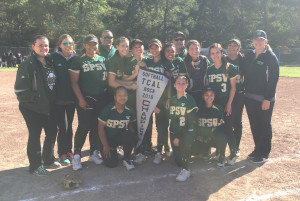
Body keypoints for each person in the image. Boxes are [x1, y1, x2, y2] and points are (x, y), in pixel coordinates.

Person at [14, 35, 61, 176]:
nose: (43, 48)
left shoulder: (49, 61)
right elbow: (20, 91)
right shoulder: (28, 63)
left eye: (46, 45)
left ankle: (48, 159)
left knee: (52, 132)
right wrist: (39, 99)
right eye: (40, 45)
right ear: (33, 47)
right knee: (35, 135)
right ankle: (35, 166)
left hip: (49, 106)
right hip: (32, 107)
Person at [69, 34, 108, 171]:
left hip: (101, 98)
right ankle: (77, 155)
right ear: (85, 45)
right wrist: (80, 98)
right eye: (89, 44)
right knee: (84, 125)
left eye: (94, 44)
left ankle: (93, 152)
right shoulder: (79, 60)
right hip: (86, 98)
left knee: (96, 126)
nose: (92, 47)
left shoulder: (102, 59)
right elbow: (74, 82)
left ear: (98, 45)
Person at [243, 30, 279, 163]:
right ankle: (257, 149)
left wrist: (267, 98)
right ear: (252, 41)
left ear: (265, 41)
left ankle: (264, 152)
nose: (258, 42)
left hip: (264, 98)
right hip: (250, 97)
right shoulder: (249, 55)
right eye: (256, 39)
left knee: (264, 124)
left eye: (261, 40)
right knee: (254, 124)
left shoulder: (270, 56)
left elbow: (273, 79)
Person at [206, 43, 238, 165]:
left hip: (226, 101)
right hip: (216, 103)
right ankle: (220, 153)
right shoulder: (210, 69)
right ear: (210, 55)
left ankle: (233, 153)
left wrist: (229, 104)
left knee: (228, 128)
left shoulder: (230, 67)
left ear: (222, 53)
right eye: (212, 53)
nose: (215, 55)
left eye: (217, 52)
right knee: (218, 129)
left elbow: (233, 87)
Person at [49, 34, 77, 165]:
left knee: (69, 126)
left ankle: (69, 151)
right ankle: (62, 153)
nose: (68, 46)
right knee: (63, 126)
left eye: (70, 43)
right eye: (64, 43)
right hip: (58, 100)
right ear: (60, 45)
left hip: (71, 99)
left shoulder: (76, 58)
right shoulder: (52, 58)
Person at [142, 39, 171, 165]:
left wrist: (169, 98)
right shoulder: (147, 61)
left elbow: (169, 82)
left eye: (156, 48)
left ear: (160, 48)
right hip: (149, 98)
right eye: (151, 48)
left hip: (162, 99)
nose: (154, 50)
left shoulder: (165, 62)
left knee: (162, 126)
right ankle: (146, 148)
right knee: (146, 125)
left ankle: (161, 149)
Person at [98, 86, 137, 170]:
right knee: (111, 163)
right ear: (115, 97)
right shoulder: (107, 109)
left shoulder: (130, 110)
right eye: (119, 95)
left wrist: (133, 138)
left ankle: (126, 159)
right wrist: (105, 145)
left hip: (119, 136)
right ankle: (111, 150)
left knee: (131, 135)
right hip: (108, 138)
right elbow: (100, 128)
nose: (122, 97)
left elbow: (131, 123)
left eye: (124, 95)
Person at [169, 76, 198, 182]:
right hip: (174, 131)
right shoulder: (172, 99)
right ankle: (184, 154)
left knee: (184, 148)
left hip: (187, 131)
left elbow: (190, 122)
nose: (180, 85)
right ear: (174, 85)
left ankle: (186, 170)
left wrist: (178, 137)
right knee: (178, 161)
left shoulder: (189, 99)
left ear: (187, 85)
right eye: (178, 83)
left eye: (183, 83)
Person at [192, 86, 227, 167]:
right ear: (203, 96)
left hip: (213, 137)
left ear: (214, 96)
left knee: (222, 136)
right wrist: (198, 136)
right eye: (206, 95)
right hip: (202, 138)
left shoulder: (218, 108)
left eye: (211, 95)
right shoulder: (198, 108)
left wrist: (211, 136)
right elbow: (194, 125)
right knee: (193, 150)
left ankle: (221, 155)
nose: (209, 97)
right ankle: (205, 151)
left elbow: (221, 127)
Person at [226, 39, 245, 157]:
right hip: (225, 93)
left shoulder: (243, 60)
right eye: (230, 45)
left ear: (239, 48)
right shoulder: (224, 59)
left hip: (239, 94)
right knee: (226, 121)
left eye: (235, 45)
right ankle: (222, 147)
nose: (232, 47)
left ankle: (236, 146)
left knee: (237, 121)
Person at [184, 40, 210, 105]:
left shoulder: (204, 60)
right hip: (189, 93)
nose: (194, 51)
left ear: (200, 49)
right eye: (191, 49)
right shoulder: (184, 61)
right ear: (187, 50)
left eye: (196, 48)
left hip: (203, 93)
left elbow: (207, 77)